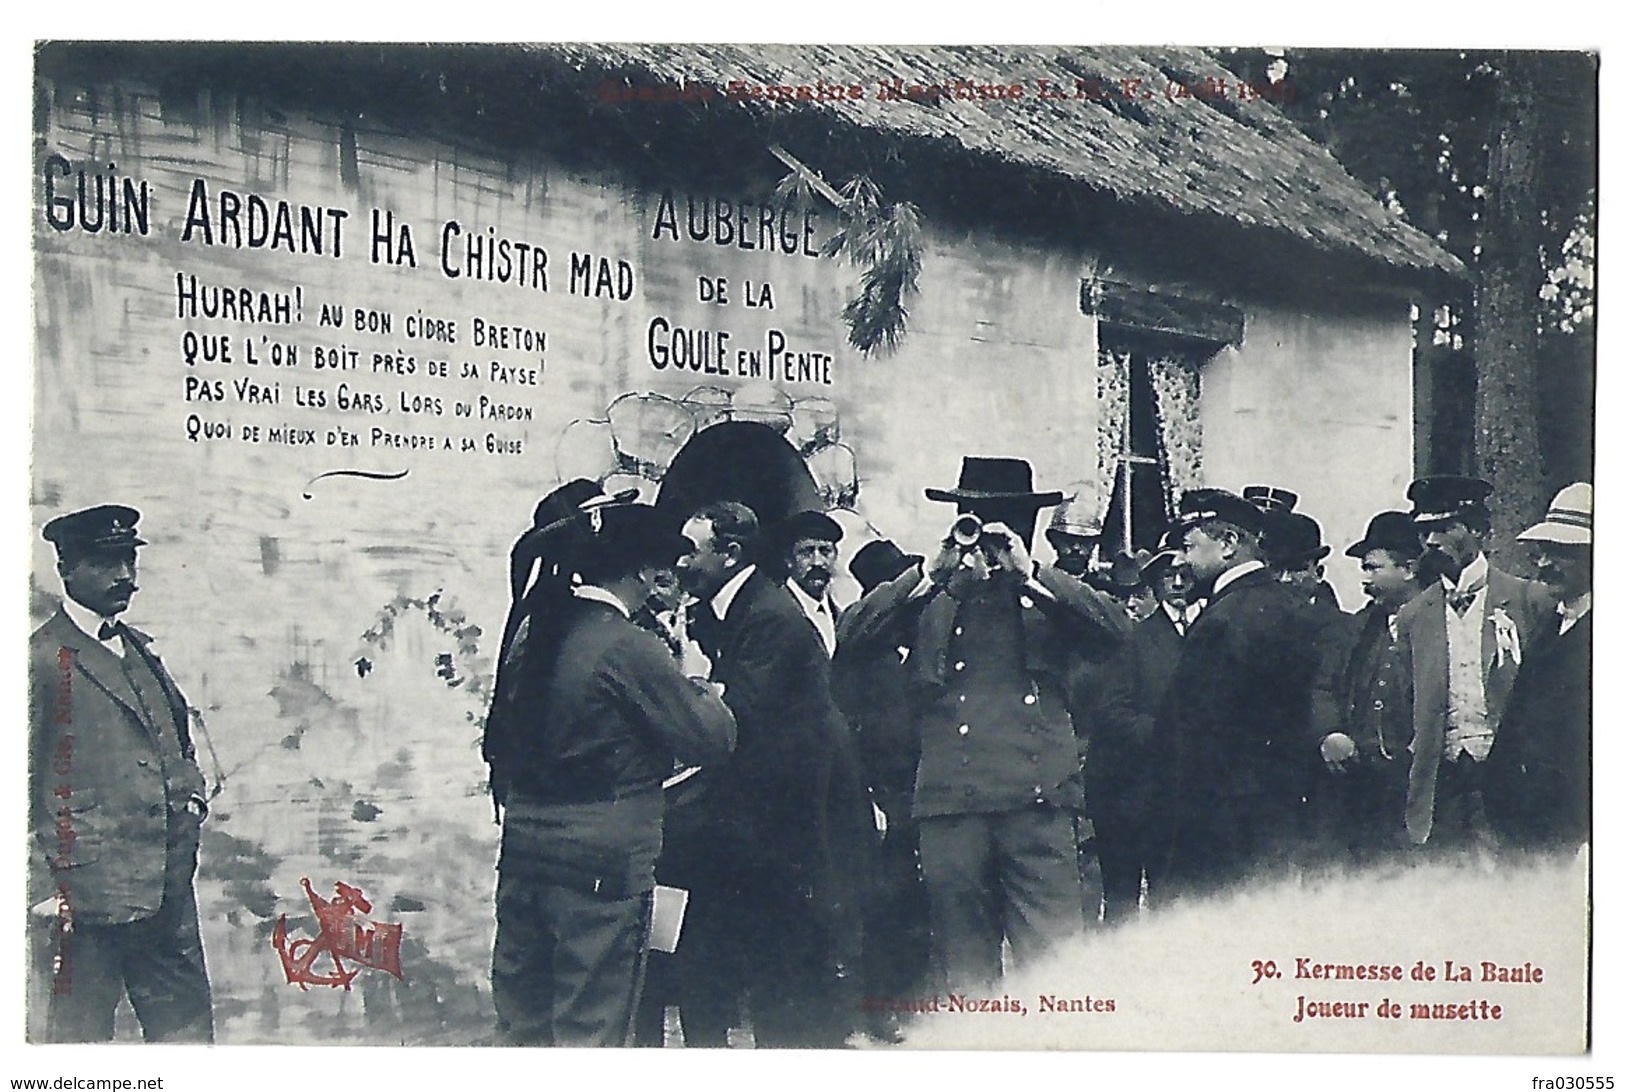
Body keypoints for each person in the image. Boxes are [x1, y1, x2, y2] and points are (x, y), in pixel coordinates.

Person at [839, 457, 1128, 990]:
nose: (988, 538)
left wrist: (1033, 575)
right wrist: (929, 573)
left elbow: (1118, 634)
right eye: (973, 519)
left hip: (1036, 808)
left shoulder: (1051, 598)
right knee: (966, 977)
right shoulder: (931, 597)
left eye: (1006, 523)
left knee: (1056, 971)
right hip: (953, 810)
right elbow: (852, 638)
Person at [488, 502, 736, 1047]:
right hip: (601, 865)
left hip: (526, 851)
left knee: (524, 1028)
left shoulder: (537, 629)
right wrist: (697, 679)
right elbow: (710, 741)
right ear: (646, 573)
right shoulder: (627, 645)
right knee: (591, 1032)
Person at [674, 501, 872, 1047]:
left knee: (779, 970)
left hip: (779, 826)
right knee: (738, 958)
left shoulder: (767, 617)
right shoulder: (729, 608)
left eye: (692, 550)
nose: (681, 562)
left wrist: (695, 685)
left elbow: (745, 724)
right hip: (752, 822)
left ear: (729, 553)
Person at [28, 505, 214, 1042]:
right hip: (85, 907)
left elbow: (178, 739)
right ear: (67, 570)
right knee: (79, 1045)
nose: (124, 576)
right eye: (107, 563)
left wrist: (191, 799)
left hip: (167, 894)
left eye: (129, 560)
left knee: (187, 1039)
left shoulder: (139, 647)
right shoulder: (41, 659)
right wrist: (41, 891)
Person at [1158, 488, 1321, 895]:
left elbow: (1195, 735)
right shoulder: (1287, 605)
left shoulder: (1224, 620)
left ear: (1229, 544)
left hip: (1221, 823)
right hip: (1276, 815)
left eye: (1190, 545)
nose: (1182, 561)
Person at [1394, 476, 1556, 849]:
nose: (1432, 542)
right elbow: (1406, 699)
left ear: (1481, 531)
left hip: (1513, 773)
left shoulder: (1529, 599)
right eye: (1424, 532)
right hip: (1442, 783)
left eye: (1446, 528)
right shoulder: (1413, 616)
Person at [833, 539, 930, 1040]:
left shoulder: (918, 647)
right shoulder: (857, 655)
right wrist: (867, 796)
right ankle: (880, 1004)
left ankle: (914, 997)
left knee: (920, 899)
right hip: (881, 795)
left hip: (923, 789)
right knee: (883, 904)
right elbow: (848, 730)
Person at [1309, 511, 1428, 861]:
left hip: (1412, 787)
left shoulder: (1438, 626)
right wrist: (1330, 732)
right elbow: (1323, 686)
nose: (1365, 580)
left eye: (1373, 568)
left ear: (1408, 569)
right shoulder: (1356, 628)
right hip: (1358, 786)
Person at [1089, 543, 1199, 919]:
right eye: (1169, 576)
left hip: (1191, 795)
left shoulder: (1212, 630)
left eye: (1186, 574)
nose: (1179, 583)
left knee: (1178, 899)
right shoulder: (1135, 638)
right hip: (1138, 790)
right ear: (1154, 584)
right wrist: (1161, 734)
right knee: (1122, 902)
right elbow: (1112, 710)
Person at [1481, 483, 1592, 850]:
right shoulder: (1551, 624)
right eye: (1543, 552)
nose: (1544, 564)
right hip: (1528, 825)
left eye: (1560, 553)